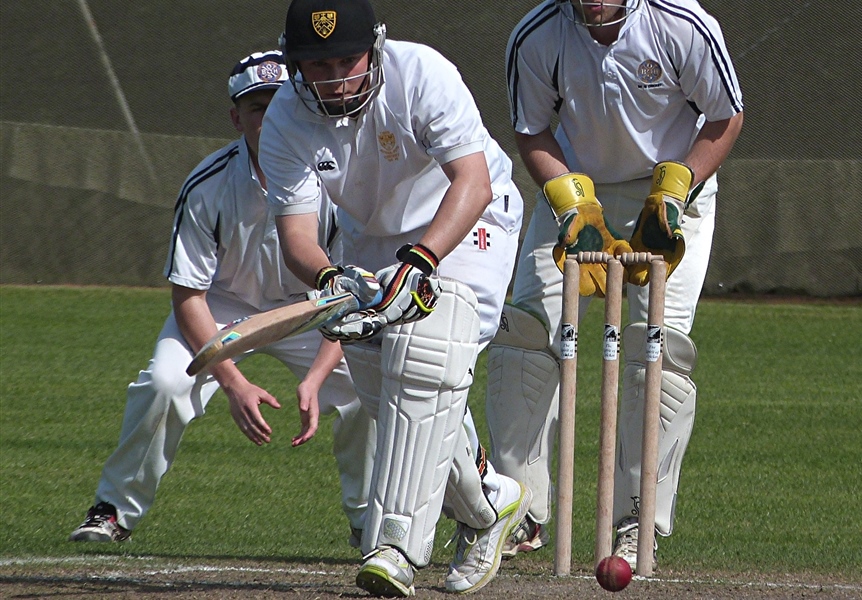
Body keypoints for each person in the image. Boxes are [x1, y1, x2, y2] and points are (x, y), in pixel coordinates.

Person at [257, 0, 530, 595]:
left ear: (374, 48)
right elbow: (298, 238)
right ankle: (491, 505)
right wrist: (331, 279)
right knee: (390, 395)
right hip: (369, 240)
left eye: (344, 61)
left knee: (426, 354)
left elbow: (473, 180)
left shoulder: (421, 74)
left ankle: (397, 549)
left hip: (466, 221)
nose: (332, 79)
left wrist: (421, 261)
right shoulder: (284, 118)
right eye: (315, 65)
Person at [68, 50, 375, 548]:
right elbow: (189, 295)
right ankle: (113, 510)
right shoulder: (207, 185)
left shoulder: (337, 180)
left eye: (279, 104)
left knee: (366, 389)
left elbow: (354, 295)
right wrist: (232, 382)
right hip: (223, 309)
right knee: (166, 383)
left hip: (313, 309)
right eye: (257, 108)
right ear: (237, 118)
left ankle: (369, 522)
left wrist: (317, 379)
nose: (270, 117)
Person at [490, 0, 744, 572]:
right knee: (525, 337)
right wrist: (570, 202)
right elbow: (531, 129)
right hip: (578, 193)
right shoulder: (538, 35)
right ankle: (514, 508)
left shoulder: (682, 23)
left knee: (657, 349)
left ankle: (636, 520)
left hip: (674, 194)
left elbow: (725, 116)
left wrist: (677, 190)